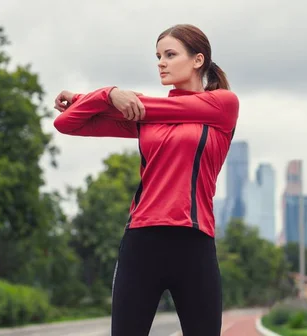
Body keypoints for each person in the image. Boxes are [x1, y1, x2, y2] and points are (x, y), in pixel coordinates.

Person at [52, 24, 239, 336]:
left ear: (197, 60)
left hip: (194, 244)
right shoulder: (144, 118)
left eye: (170, 54)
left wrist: (106, 98)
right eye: (158, 56)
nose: (161, 63)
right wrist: (108, 94)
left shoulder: (222, 105)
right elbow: (66, 122)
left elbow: (162, 107)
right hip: (142, 243)